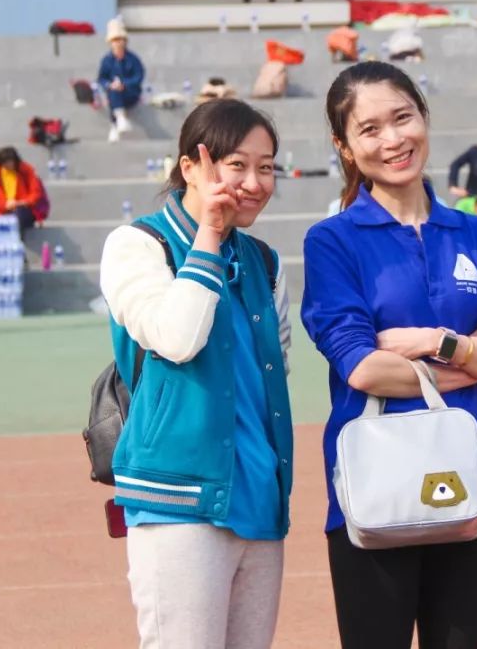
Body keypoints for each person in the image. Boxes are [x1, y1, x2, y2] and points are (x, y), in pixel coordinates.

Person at [301, 61, 477, 649]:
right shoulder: (332, 242)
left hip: (465, 488)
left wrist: (438, 343)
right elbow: (363, 367)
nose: (393, 139)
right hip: (372, 490)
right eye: (370, 129)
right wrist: (473, 359)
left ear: (424, 117)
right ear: (345, 146)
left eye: (402, 118)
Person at [99, 99, 293, 649]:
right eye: (237, 165)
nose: (254, 183)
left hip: (258, 501)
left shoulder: (265, 262)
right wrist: (208, 233)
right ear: (190, 167)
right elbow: (176, 337)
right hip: (177, 501)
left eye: (266, 167)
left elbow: (274, 373)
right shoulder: (138, 245)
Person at [98, 17, 145, 142]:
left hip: (130, 93)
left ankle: (116, 123)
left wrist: (124, 84)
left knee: (115, 93)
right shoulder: (107, 60)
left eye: (120, 40)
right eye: (114, 40)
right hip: (114, 93)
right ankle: (119, 120)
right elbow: (102, 78)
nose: (117, 43)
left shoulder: (133, 59)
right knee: (113, 92)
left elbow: (138, 76)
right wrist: (110, 85)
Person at [0, 146, 47, 238]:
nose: (9, 165)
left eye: (11, 161)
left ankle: (18, 242)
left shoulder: (26, 170)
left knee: (17, 217)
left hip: (23, 209)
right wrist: (5, 205)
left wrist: (20, 203)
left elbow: (36, 193)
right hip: (1, 211)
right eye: (5, 163)